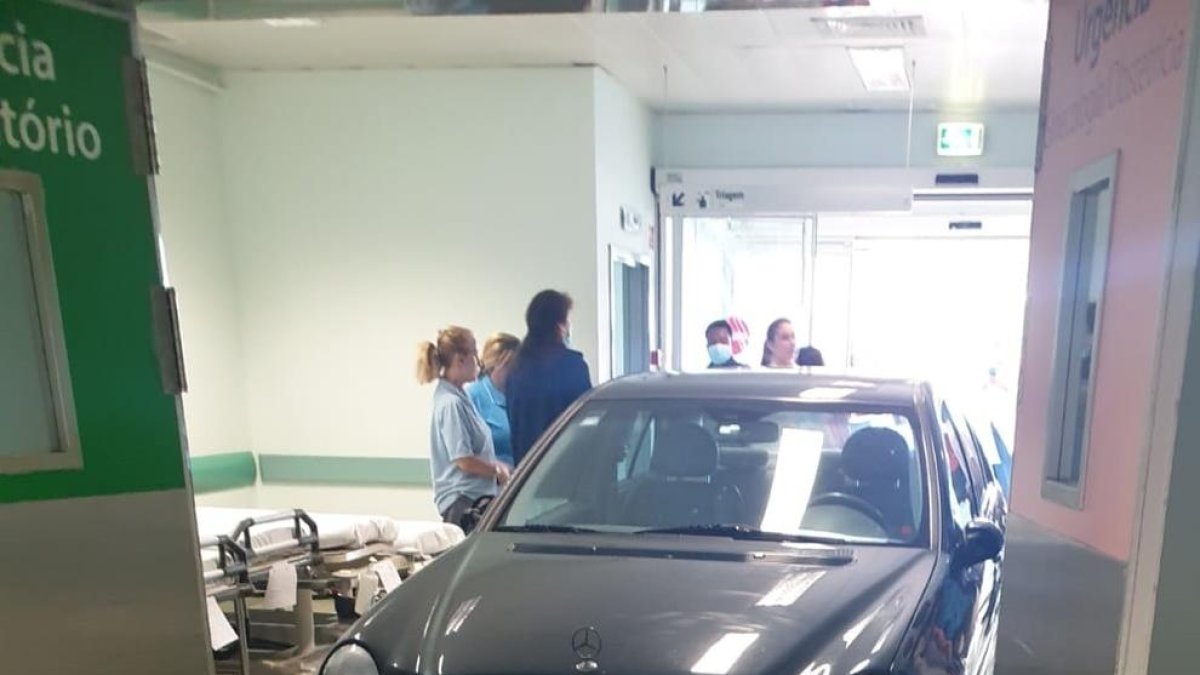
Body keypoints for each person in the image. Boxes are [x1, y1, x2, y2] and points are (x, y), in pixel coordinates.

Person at [417, 326, 511, 530]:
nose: (478, 360)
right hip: (463, 503)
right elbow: (463, 460)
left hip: (476, 498)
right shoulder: (451, 402)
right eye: (474, 352)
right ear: (460, 359)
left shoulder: (461, 396)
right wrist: (497, 470)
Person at [507, 290, 592, 465]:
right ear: (559, 325)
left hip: (528, 474)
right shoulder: (572, 366)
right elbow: (586, 418)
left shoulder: (516, 369)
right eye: (566, 320)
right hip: (565, 468)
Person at [467, 332, 521, 468]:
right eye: (511, 366)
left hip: (523, 478)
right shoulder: (473, 396)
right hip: (490, 482)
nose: (517, 372)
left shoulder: (521, 395)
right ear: (494, 365)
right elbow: (465, 454)